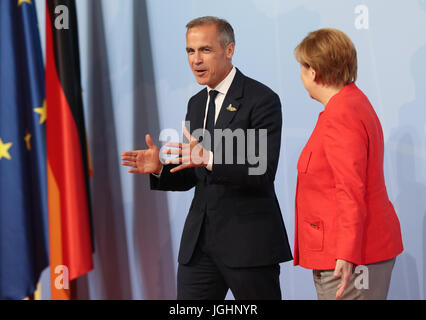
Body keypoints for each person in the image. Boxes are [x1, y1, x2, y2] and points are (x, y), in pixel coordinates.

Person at [122, 16, 292, 300]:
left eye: (205, 50)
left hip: (247, 245)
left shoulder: (261, 99)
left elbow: (261, 170)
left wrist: (210, 158)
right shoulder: (197, 102)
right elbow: (196, 172)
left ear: (229, 50)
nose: (195, 60)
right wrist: (161, 169)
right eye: (190, 51)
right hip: (199, 247)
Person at [293, 28, 404, 300]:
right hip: (356, 251)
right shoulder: (352, 102)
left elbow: (350, 188)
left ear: (314, 72)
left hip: (350, 259)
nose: (301, 75)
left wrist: (346, 252)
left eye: (302, 67)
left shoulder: (341, 114)